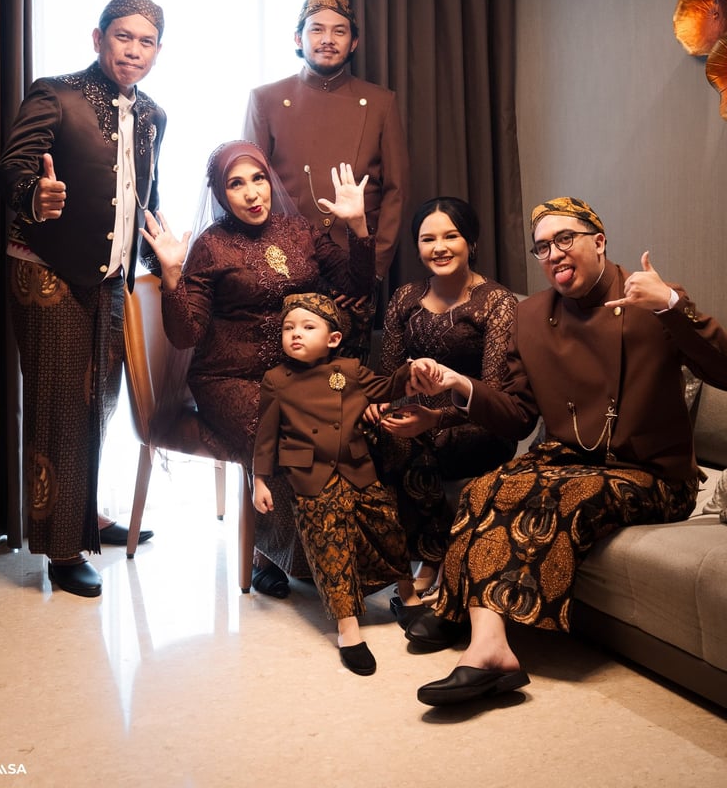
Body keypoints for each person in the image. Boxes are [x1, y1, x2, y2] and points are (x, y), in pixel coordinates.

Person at [404, 196, 727, 706]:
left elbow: (723, 369)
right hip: (569, 459)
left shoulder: (651, 298)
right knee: (485, 488)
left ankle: (475, 636)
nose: (553, 253)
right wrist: (459, 385)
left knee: (557, 496)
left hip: (653, 474)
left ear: (598, 241)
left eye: (564, 239)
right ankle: (482, 635)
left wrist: (670, 303)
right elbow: (518, 415)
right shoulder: (532, 314)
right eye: (542, 247)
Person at [142, 141, 376, 598]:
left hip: (296, 373)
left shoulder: (299, 230)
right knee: (284, 434)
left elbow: (357, 284)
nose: (252, 193)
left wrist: (358, 227)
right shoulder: (211, 246)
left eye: (258, 179)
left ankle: (332, 550)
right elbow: (186, 335)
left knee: (346, 425)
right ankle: (269, 555)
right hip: (229, 378)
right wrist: (171, 276)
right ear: (220, 193)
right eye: (236, 184)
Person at [0, 0, 166, 598]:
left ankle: (82, 513)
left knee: (100, 401)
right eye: (123, 37)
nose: (133, 50)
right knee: (59, 406)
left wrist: (163, 258)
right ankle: (62, 550)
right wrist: (32, 196)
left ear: (158, 51)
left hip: (110, 276)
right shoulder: (55, 93)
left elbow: (145, 194)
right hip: (46, 270)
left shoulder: (154, 115)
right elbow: (12, 168)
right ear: (98, 39)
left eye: (146, 42)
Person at [253, 292, 434, 675]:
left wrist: (411, 371)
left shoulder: (349, 371)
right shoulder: (276, 380)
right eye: (288, 328)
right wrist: (260, 480)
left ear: (333, 338)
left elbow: (387, 388)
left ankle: (407, 597)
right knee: (329, 547)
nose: (296, 334)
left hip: (356, 467)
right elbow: (266, 437)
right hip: (311, 477)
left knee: (389, 530)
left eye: (308, 327)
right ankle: (348, 628)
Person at [363, 197, 517, 601]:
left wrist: (436, 418)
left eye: (451, 236)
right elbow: (388, 377)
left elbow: (494, 393)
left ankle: (432, 557)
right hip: (417, 415)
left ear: (471, 242)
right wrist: (379, 403)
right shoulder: (405, 298)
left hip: (478, 424)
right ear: (417, 246)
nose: (440, 247)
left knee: (415, 445)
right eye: (428, 239)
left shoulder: (497, 303)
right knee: (368, 435)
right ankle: (378, 559)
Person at [243, 0, 409, 356]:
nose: (328, 39)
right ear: (298, 38)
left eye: (339, 31)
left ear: (354, 43)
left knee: (344, 377)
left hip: (353, 269)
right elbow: (249, 186)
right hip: (283, 263)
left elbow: (395, 191)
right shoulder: (266, 99)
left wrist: (373, 270)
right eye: (317, 29)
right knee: (281, 374)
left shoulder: (381, 102)